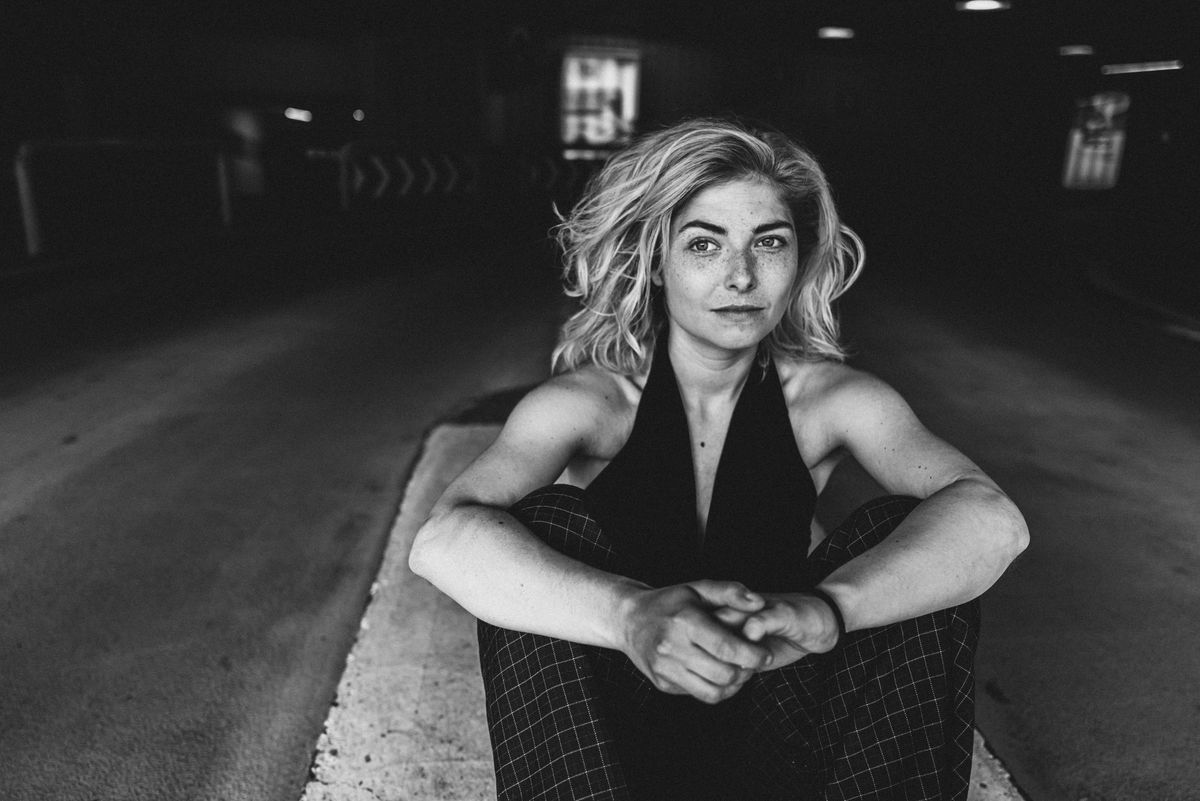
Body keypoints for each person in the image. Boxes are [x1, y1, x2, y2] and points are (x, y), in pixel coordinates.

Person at [408, 117, 1029, 800]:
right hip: (615, 745)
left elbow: (993, 519)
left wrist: (831, 610)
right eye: (705, 244)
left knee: (912, 534)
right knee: (540, 522)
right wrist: (629, 616)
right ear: (656, 261)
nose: (741, 275)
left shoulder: (828, 401)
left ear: (799, 260)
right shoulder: (590, 405)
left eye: (769, 242)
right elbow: (442, 540)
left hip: (780, 718)